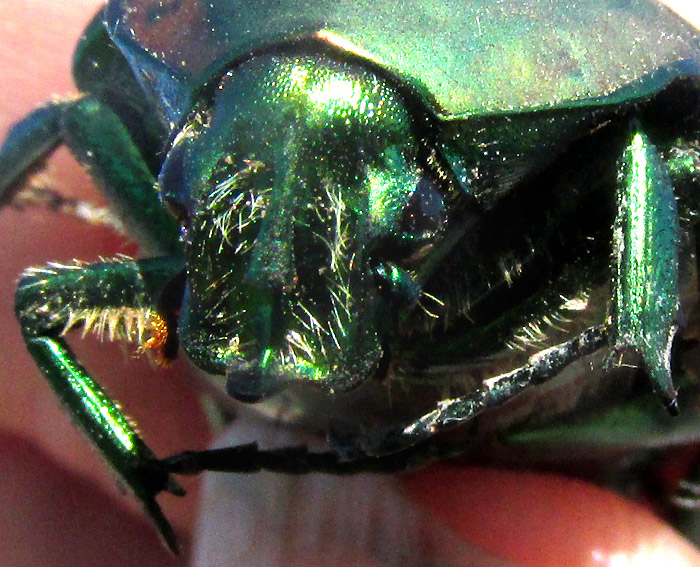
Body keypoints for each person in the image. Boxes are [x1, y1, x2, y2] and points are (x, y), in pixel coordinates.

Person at [1, 1, 700, 565]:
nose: (278, 267)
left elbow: (651, 152)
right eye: (192, 193)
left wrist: (640, 328)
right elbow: (76, 121)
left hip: (580, 415)